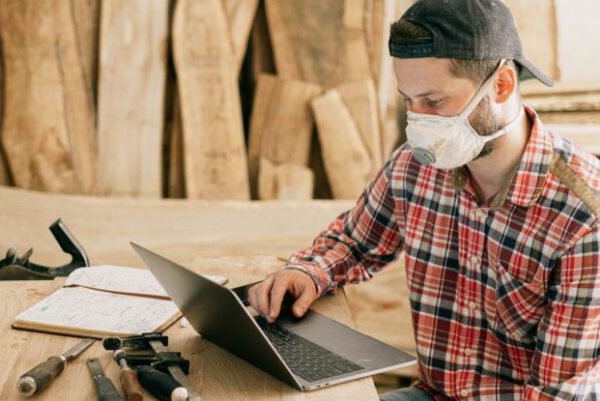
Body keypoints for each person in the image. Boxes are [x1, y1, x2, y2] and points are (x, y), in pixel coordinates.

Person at [247, 1, 600, 400]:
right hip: (432, 394)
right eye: (408, 101)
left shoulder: (583, 219)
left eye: (433, 102)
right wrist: (309, 271)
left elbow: (556, 394)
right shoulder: (417, 166)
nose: (419, 124)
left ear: (501, 84)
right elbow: (355, 243)